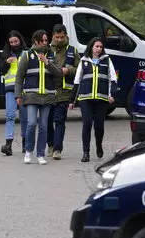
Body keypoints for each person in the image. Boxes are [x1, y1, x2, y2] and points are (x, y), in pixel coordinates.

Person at [15, 29, 62, 165]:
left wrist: (47, 62)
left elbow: (59, 73)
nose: (45, 43)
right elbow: (19, 76)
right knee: (31, 124)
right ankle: (29, 151)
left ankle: (40, 154)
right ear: (36, 41)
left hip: (48, 96)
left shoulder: (51, 55)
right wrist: (18, 94)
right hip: (31, 95)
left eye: (46, 40)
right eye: (43, 40)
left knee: (43, 126)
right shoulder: (28, 55)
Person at [70, 37, 117, 162]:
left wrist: (111, 94)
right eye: (96, 46)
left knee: (99, 126)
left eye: (101, 47)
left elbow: (113, 79)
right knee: (86, 124)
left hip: (101, 99)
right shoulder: (84, 61)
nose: (99, 49)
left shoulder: (107, 60)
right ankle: (86, 153)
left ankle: (98, 145)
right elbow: (77, 81)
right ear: (91, 47)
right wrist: (71, 101)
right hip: (85, 98)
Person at [46, 24, 80, 160]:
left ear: (66, 35)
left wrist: (69, 70)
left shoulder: (72, 50)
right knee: (47, 120)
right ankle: (51, 144)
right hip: (48, 90)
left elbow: (80, 69)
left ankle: (58, 149)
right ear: (53, 36)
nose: (59, 40)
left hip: (64, 91)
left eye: (62, 37)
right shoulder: (47, 50)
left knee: (59, 120)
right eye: (57, 37)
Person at [0, 30, 28, 156]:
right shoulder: (6, 54)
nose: (14, 44)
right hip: (10, 88)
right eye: (11, 42)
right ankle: (8, 144)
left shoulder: (26, 52)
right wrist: (6, 62)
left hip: (24, 88)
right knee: (10, 116)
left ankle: (25, 143)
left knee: (24, 117)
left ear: (20, 40)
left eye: (15, 41)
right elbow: (1, 70)